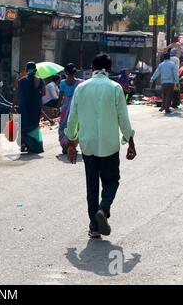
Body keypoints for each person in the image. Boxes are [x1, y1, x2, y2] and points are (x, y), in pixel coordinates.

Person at [64, 54, 136, 239]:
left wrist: (71, 142)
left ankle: (94, 226)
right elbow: (123, 118)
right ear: (109, 69)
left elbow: (72, 118)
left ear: (92, 68)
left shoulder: (81, 88)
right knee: (111, 180)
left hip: (88, 144)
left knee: (91, 185)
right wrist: (130, 142)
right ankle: (103, 210)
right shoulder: (115, 88)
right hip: (109, 144)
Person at [18, 62, 45, 154]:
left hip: (24, 106)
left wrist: (13, 105)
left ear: (26, 70)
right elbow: (44, 93)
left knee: (24, 125)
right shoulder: (40, 81)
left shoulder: (21, 81)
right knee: (35, 125)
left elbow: (17, 94)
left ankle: (24, 144)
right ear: (35, 70)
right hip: (35, 106)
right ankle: (36, 146)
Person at [58, 63, 82, 154]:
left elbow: (60, 97)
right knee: (75, 125)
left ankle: (65, 145)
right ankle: (72, 145)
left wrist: (58, 108)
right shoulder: (80, 82)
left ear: (66, 72)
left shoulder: (63, 82)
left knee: (64, 126)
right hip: (76, 107)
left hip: (65, 107)